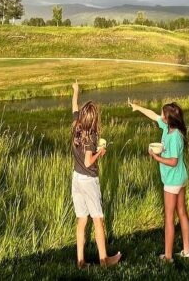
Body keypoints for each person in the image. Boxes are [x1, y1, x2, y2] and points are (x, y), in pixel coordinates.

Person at [129, 99, 189, 261]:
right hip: (180, 178)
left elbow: (173, 161)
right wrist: (138, 107)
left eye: (163, 113)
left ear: (168, 118)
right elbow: (152, 115)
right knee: (182, 213)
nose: (161, 115)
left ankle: (168, 256)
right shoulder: (169, 128)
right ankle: (186, 251)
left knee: (169, 218)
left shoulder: (175, 137)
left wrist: (156, 157)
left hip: (172, 181)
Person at [70, 80, 121, 269]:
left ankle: (81, 261)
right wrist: (101, 152)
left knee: (82, 219)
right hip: (88, 180)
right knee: (98, 219)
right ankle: (104, 260)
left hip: (76, 178)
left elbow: (74, 106)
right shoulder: (91, 137)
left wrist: (76, 90)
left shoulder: (75, 125)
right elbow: (88, 161)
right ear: (94, 119)